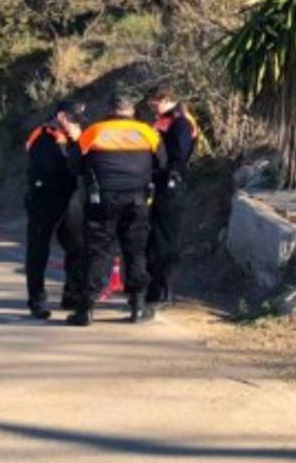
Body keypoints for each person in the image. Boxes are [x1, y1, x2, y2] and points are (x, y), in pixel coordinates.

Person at [68, 90, 167, 326]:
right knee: (135, 251)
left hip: (102, 199)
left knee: (97, 251)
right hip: (138, 199)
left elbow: (74, 164)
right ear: (131, 110)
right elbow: (162, 163)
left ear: (110, 109)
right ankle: (138, 306)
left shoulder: (94, 131)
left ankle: (86, 309)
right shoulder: (147, 131)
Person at [23, 100, 84, 319]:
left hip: (70, 197)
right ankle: (37, 300)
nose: (77, 123)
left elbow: (84, 163)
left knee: (77, 247)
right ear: (61, 116)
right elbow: (59, 165)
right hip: (44, 197)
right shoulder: (43, 135)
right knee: (39, 249)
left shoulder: (74, 135)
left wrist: (78, 141)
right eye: (74, 118)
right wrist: (76, 145)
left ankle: (72, 294)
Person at [145, 83, 199, 306]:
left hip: (170, 185)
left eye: (154, 103)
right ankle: (152, 287)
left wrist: (169, 177)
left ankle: (164, 289)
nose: (151, 107)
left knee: (165, 238)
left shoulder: (180, 122)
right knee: (153, 237)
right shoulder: (164, 120)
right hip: (157, 182)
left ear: (166, 99)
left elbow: (178, 156)